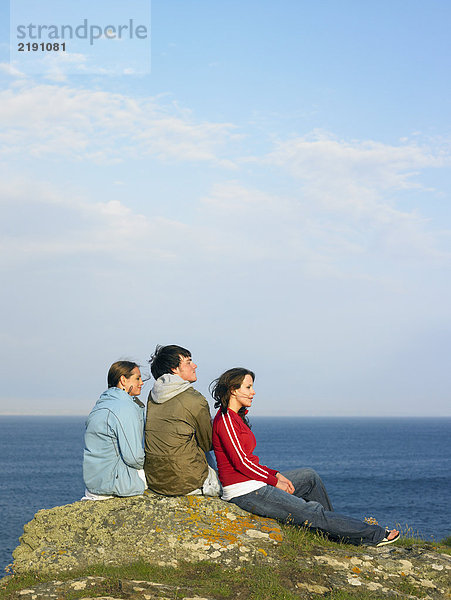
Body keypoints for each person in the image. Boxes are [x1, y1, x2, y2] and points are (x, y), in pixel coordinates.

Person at [211, 368, 400, 547]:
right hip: (244, 491)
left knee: (309, 477)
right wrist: (274, 481)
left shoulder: (237, 418)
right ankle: (374, 534)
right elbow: (241, 462)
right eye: (248, 387)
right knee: (312, 513)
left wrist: (276, 474)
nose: (253, 392)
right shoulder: (226, 420)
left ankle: (332, 532)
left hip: (255, 483)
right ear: (233, 390)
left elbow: (249, 461)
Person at [144, 344, 220, 496]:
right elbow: (207, 443)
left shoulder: (152, 395)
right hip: (186, 482)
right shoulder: (194, 399)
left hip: (156, 479)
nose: (194, 365)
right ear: (174, 369)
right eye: (188, 362)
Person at [82, 361, 146, 500]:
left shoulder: (102, 404)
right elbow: (134, 457)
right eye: (137, 378)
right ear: (123, 380)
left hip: (94, 487)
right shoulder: (124, 408)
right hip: (116, 485)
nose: (141, 383)